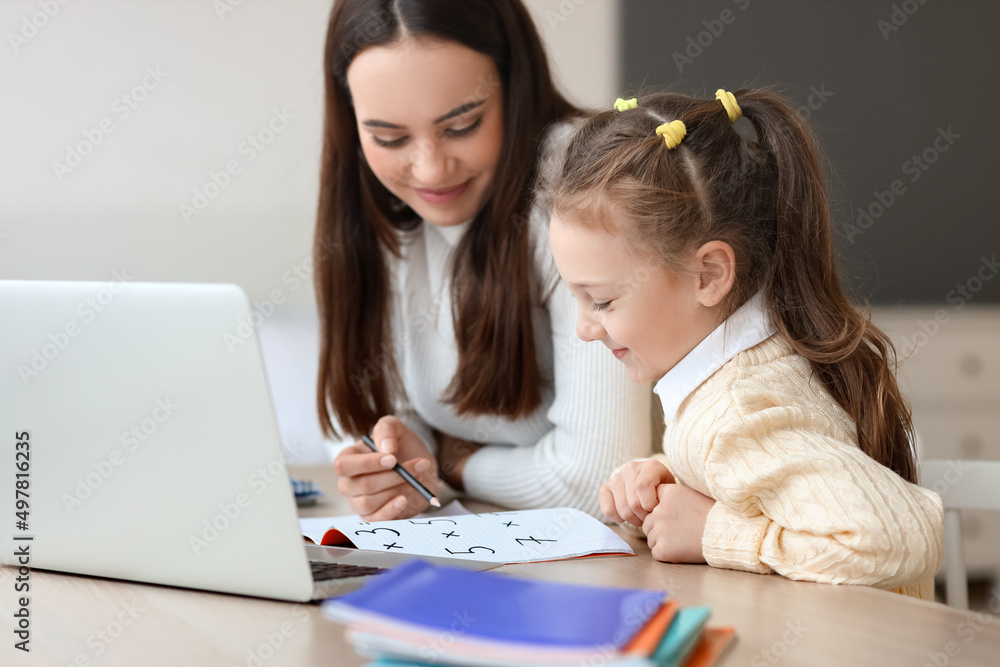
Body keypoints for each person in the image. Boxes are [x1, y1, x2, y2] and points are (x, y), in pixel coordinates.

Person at [546, 88, 944, 599]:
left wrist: (713, 531)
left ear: (708, 274)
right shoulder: (756, 367)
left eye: (600, 301)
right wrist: (674, 474)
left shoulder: (738, 411)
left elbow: (900, 538)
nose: (585, 328)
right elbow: (778, 474)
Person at [314, 0, 653, 522]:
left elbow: (598, 483)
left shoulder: (584, 193)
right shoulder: (378, 206)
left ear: (514, 89)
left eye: (461, 125)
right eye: (390, 138)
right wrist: (395, 459)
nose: (429, 171)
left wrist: (450, 462)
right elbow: (355, 422)